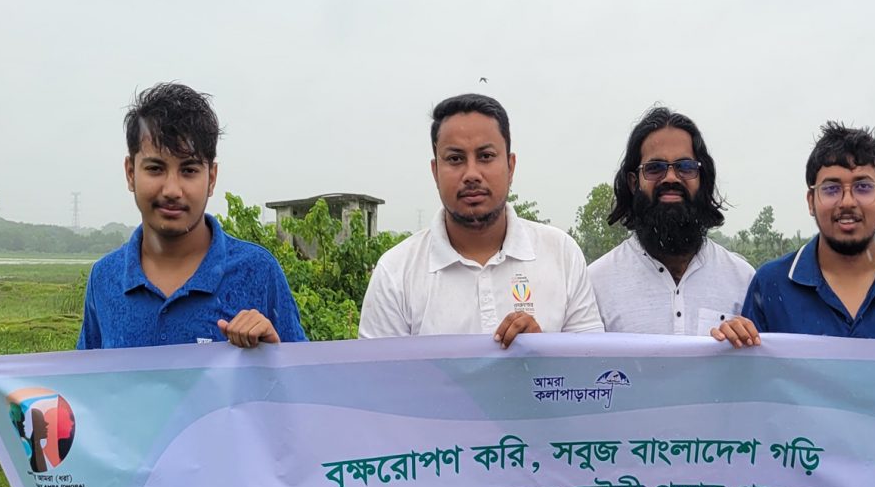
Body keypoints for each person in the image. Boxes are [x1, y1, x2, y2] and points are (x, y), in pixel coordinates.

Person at [358, 94, 605, 343]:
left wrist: (541, 350)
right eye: (455, 159)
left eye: (486, 156)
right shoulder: (396, 273)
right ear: (435, 172)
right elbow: (377, 378)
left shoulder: (561, 254)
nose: (472, 174)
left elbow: (593, 368)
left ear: (511, 166)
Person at [79, 83, 306, 349]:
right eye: (155, 168)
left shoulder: (258, 272)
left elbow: (300, 383)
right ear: (130, 173)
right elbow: (87, 385)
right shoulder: (105, 278)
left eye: (189, 170)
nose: (172, 190)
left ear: (211, 178)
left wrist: (274, 352)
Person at [721, 122, 875, 342]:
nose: (848, 202)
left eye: (863, 187)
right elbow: (753, 377)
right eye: (831, 189)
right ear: (811, 201)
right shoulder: (771, 283)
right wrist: (734, 345)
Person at [587, 106, 754, 334]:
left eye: (685, 167)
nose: (671, 178)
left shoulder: (743, 281)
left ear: (702, 179)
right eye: (655, 168)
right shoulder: (596, 284)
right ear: (634, 182)